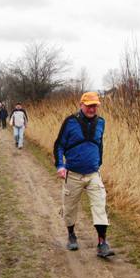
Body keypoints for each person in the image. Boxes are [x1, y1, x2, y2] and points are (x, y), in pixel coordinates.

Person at [53, 92, 115, 258]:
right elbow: (59, 145)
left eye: (95, 105)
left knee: (100, 206)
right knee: (70, 208)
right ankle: (71, 235)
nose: (92, 109)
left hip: (93, 174)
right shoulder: (70, 122)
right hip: (73, 173)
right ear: (81, 105)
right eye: (89, 105)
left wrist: (98, 163)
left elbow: (99, 144)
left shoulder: (101, 122)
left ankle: (102, 243)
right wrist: (60, 165)